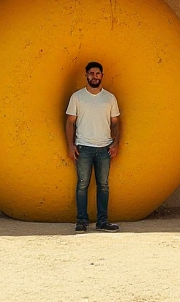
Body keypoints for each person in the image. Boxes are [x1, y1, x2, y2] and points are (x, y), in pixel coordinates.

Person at [65, 61, 121, 232]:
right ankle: (82, 221)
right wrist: (70, 145)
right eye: (91, 73)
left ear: (102, 76)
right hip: (83, 148)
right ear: (86, 75)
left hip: (105, 148)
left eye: (97, 73)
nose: (94, 76)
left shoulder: (110, 98)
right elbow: (70, 122)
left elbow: (116, 123)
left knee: (103, 185)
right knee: (82, 184)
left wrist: (116, 143)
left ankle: (102, 221)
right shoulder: (77, 97)